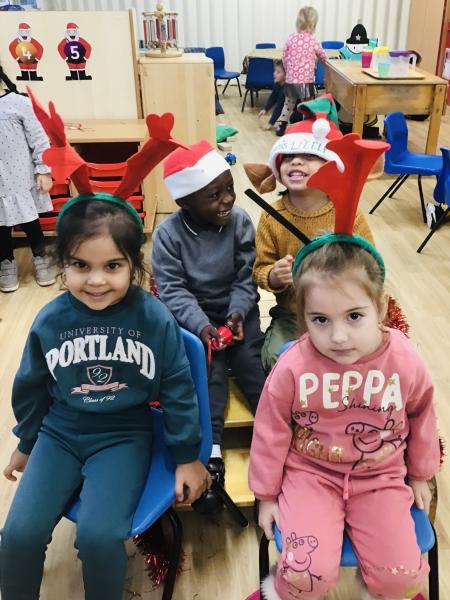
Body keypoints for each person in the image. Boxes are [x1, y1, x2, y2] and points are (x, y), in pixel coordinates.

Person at [0, 100, 211, 600]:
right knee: (18, 535)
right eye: (81, 265)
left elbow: (179, 388)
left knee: (98, 538)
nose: (96, 280)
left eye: (112, 266)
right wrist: (27, 440)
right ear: (63, 263)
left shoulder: (152, 317)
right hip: (59, 432)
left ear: (133, 265)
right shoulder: (52, 320)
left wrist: (186, 457)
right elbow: (31, 386)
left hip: (124, 434)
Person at [248, 134, 440, 600]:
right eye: (320, 320)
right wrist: (267, 495)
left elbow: (422, 415)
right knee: (306, 578)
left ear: (381, 307)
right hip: (310, 476)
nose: (337, 337)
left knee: (402, 577)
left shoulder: (403, 360)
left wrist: (419, 474)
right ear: (302, 315)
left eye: (354, 316)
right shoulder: (293, 365)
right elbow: (271, 430)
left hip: (381, 478)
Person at [152, 140, 267, 513]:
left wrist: (238, 312)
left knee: (253, 368)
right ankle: (212, 454)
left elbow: (245, 277)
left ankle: (278, 438)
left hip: (237, 314)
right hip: (195, 319)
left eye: (229, 188)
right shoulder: (168, 236)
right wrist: (202, 327)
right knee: (209, 376)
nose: (227, 199)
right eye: (214, 195)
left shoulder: (240, 222)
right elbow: (173, 291)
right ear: (185, 202)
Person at [248, 95, 374, 372]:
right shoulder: (271, 216)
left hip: (344, 313)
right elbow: (259, 269)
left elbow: (373, 268)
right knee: (277, 360)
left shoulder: (349, 214)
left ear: (331, 165)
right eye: (288, 157)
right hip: (292, 314)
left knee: (361, 359)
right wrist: (274, 275)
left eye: (309, 157)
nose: (296, 162)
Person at [0, 64, 55, 292]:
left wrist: (43, 169)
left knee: (30, 221)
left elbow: (39, 138)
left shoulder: (18, 103)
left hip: (19, 177)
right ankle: (6, 261)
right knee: (1, 225)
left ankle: (40, 256)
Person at [276, 6, 327, 136]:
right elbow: (323, 56)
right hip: (306, 81)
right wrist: (327, 65)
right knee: (307, 106)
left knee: (288, 105)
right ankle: (306, 128)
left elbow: (284, 58)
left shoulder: (290, 39)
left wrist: (289, 72)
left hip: (291, 81)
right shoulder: (313, 41)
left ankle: (281, 126)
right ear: (313, 25)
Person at [258, 60, 286, 130]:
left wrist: (270, 123)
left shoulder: (286, 88)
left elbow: (279, 106)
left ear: (286, 74)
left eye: (278, 72)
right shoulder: (277, 83)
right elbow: (273, 97)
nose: (274, 74)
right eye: (275, 71)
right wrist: (266, 109)